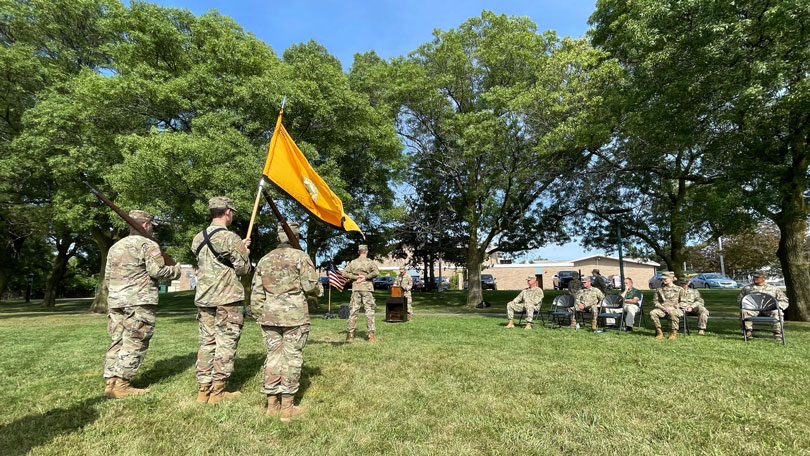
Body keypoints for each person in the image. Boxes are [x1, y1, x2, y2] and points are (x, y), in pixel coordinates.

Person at [103, 210, 181, 398]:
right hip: (139, 300)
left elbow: (107, 277)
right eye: (152, 225)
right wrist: (175, 271)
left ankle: (110, 382)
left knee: (118, 339)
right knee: (135, 339)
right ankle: (122, 384)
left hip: (116, 299)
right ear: (146, 225)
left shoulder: (115, 247)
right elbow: (157, 271)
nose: (152, 228)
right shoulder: (149, 244)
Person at [249, 222, 322, 421]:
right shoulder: (301, 257)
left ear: (277, 237)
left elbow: (256, 293)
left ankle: (272, 405)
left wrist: (259, 313)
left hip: (270, 315)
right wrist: (319, 291)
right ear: (296, 237)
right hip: (294, 317)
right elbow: (310, 286)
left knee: (273, 357)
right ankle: (287, 408)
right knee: (291, 358)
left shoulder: (265, 260)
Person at [191, 196, 252, 404]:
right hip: (227, 299)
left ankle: (203, 389)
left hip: (204, 298)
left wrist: (240, 248)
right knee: (225, 342)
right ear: (227, 212)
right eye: (232, 212)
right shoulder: (230, 238)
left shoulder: (197, 238)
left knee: (207, 343)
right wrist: (245, 252)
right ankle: (218, 391)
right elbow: (243, 268)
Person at [342, 244, 379, 342]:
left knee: (353, 311)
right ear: (366, 251)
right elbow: (376, 272)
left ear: (359, 252)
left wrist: (355, 277)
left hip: (356, 288)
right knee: (369, 311)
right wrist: (365, 277)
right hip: (367, 289)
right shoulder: (370, 262)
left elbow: (344, 273)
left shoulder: (353, 263)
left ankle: (350, 335)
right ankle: (371, 336)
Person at [737, 270, 788, 339]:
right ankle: (747, 332)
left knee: (777, 313)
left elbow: (784, 300)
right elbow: (740, 299)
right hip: (753, 309)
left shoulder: (774, 289)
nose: (754, 278)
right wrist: (745, 306)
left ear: (764, 278)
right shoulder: (747, 288)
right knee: (744, 312)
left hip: (769, 309)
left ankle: (777, 333)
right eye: (753, 277)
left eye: (757, 277)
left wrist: (777, 307)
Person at [649, 272, 684, 340]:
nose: (663, 280)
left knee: (673, 313)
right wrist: (662, 307)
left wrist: (673, 307)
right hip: (663, 308)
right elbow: (655, 301)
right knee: (653, 313)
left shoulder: (679, 289)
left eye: (665, 279)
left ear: (671, 279)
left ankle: (673, 333)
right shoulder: (659, 289)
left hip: (676, 309)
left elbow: (684, 302)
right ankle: (659, 332)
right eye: (662, 279)